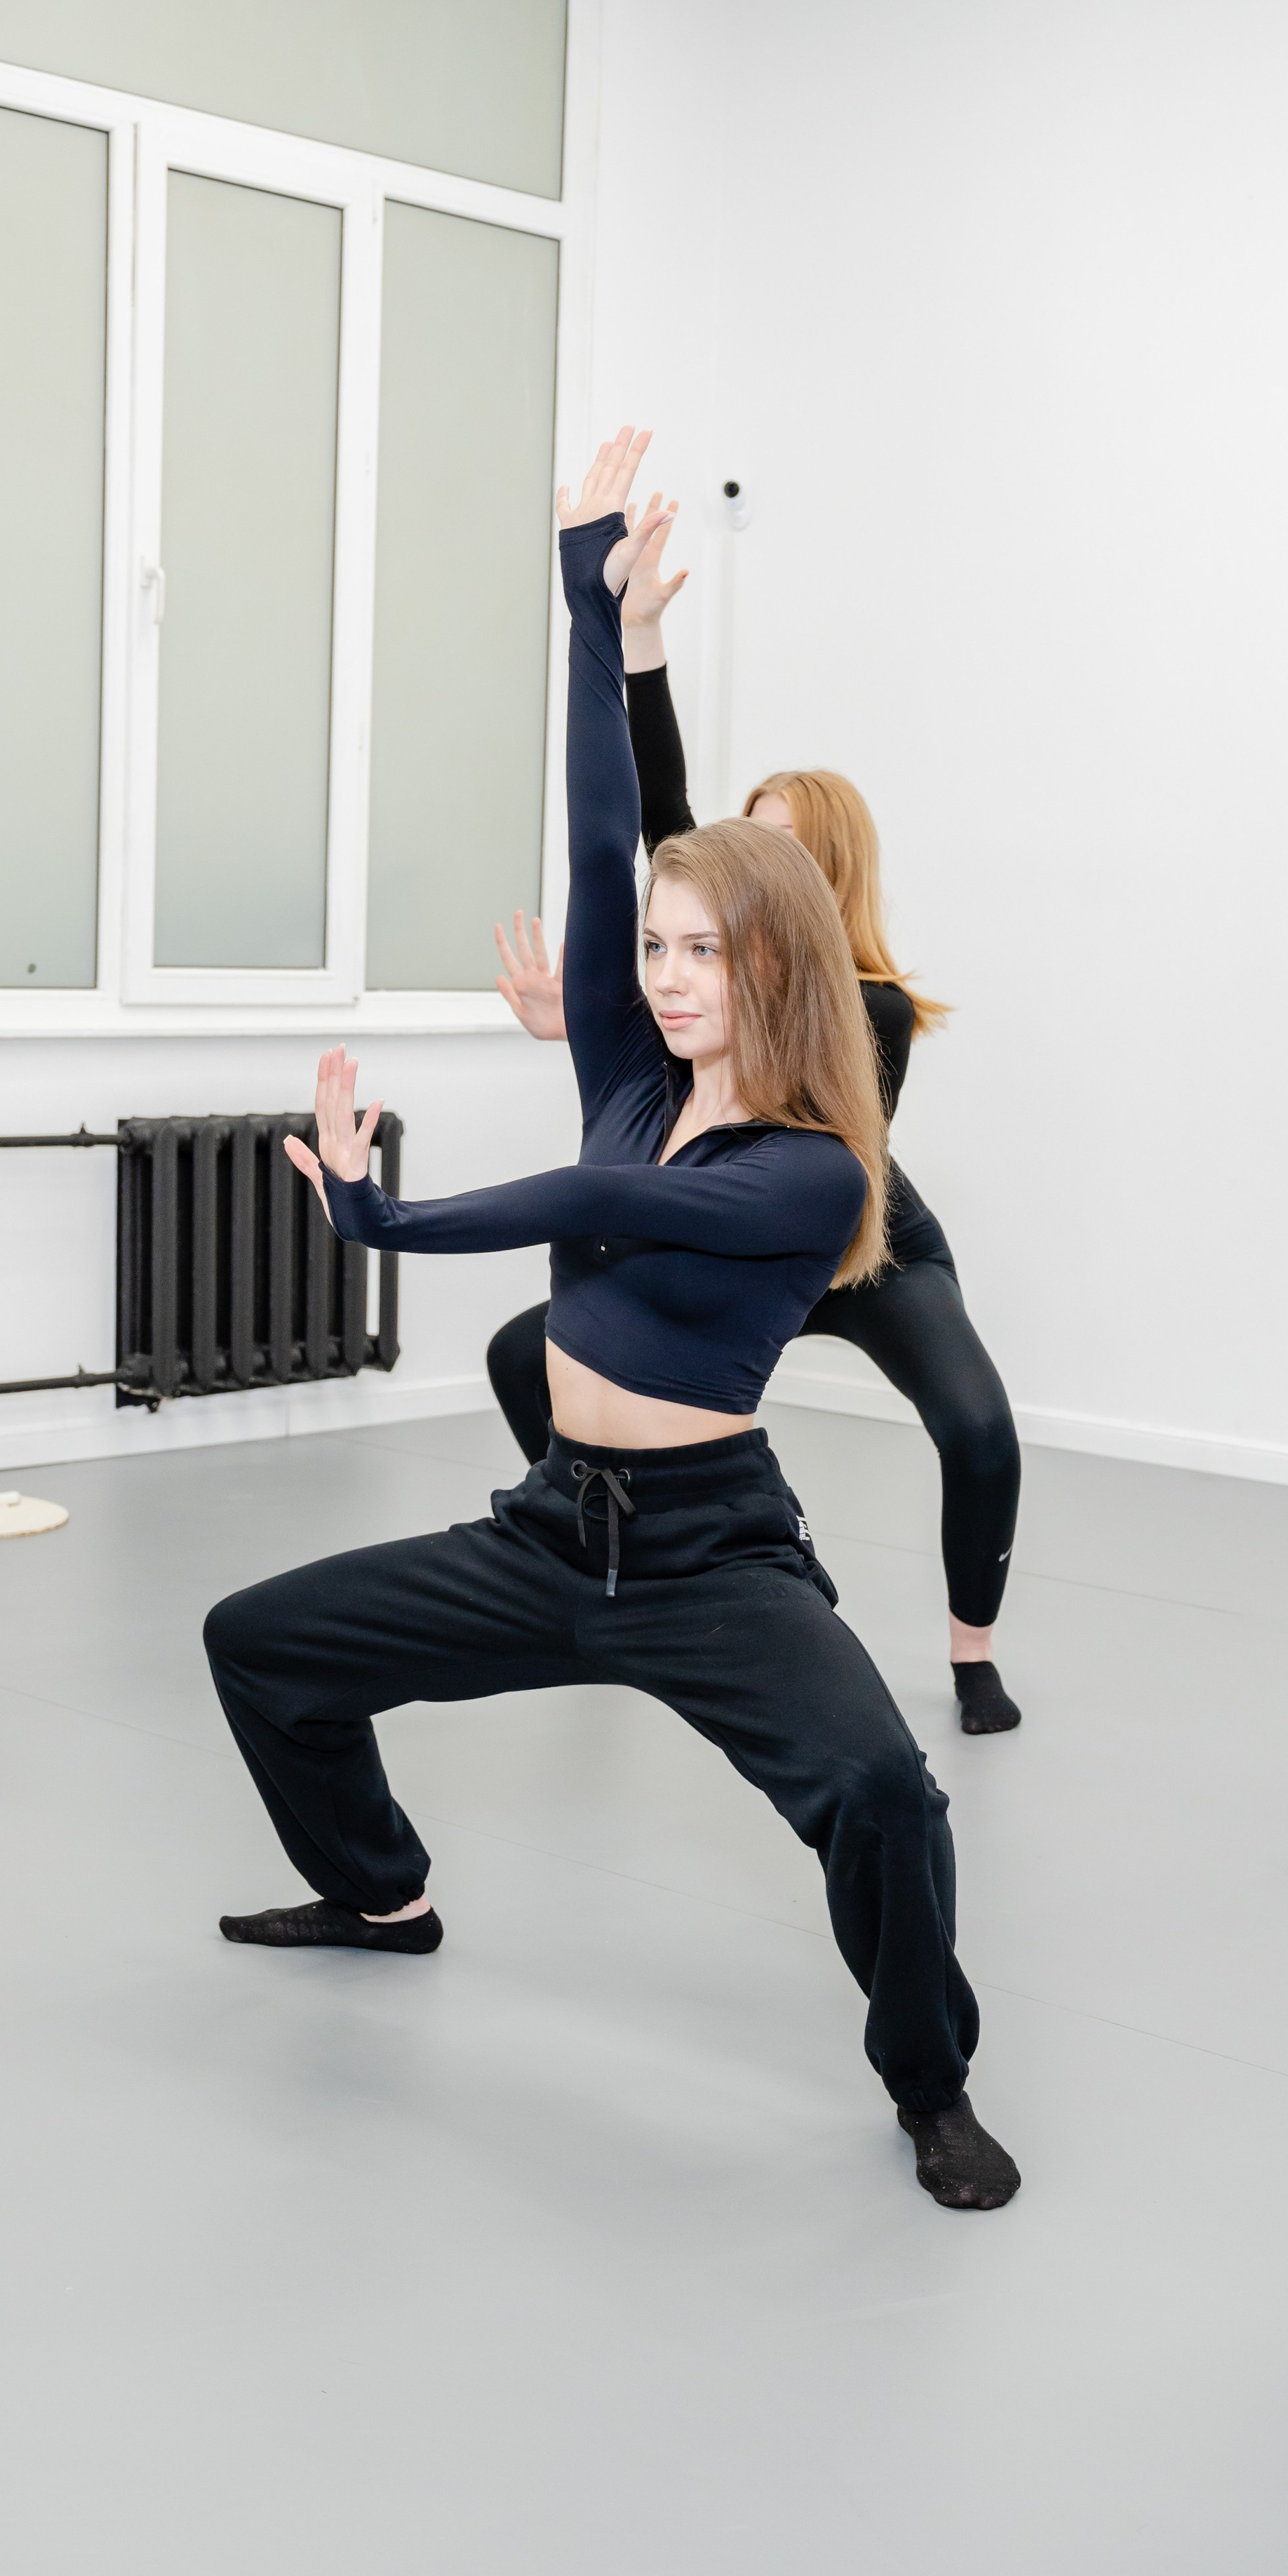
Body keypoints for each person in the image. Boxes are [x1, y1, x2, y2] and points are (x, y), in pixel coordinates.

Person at [203, 430, 1019, 2211]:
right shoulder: (628, 1066)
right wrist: (586, 609)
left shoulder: (810, 1172)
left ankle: (927, 2079)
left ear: (777, 970)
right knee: (257, 1643)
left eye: (698, 954)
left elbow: (595, 1206)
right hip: (549, 1523)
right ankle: (380, 1893)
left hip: (713, 1554)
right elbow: (600, 824)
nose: (659, 976)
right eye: (651, 949)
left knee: (883, 1797)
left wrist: (382, 1216)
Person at [490, 507, 1023, 1736]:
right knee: (530, 1351)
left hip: (854, 1240)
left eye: (777, 848)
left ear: (827, 872)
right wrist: (639, 647)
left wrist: (604, 1030)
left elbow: (788, 1119)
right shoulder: (713, 958)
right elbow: (666, 822)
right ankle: (591, 1541)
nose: (746, 864)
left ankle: (974, 1654)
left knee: (979, 1425)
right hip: (725, 1223)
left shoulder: (872, 1012)